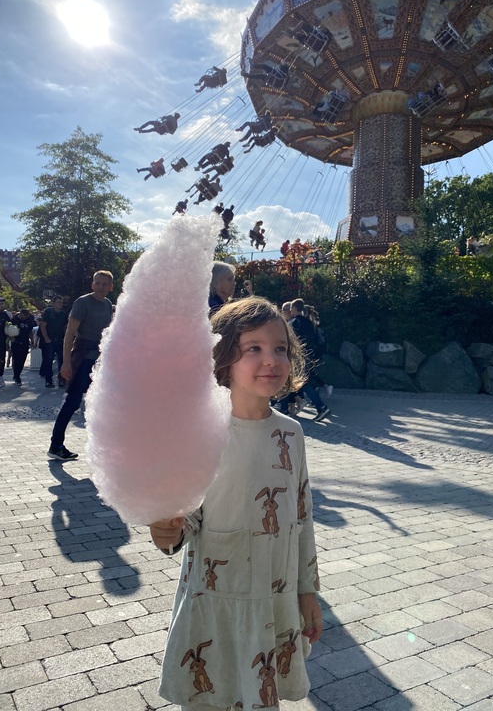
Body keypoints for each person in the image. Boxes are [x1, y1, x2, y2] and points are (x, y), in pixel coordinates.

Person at [149, 297, 322, 711]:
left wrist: (307, 591)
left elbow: (302, 517)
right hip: (217, 598)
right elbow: (186, 517)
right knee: (213, 694)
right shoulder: (202, 432)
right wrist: (166, 530)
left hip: (274, 595)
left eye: (280, 348)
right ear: (224, 358)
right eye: (254, 349)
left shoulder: (291, 434)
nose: (271, 360)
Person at [47, 271, 114, 461]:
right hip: (83, 358)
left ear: (111, 287)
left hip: (101, 362)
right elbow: (70, 333)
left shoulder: (108, 305)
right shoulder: (82, 303)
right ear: (92, 284)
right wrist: (66, 362)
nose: (101, 287)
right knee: (73, 402)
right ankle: (56, 445)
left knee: (104, 404)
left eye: (105, 284)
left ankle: (104, 448)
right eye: (98, 283)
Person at [284, 298, 330, 422]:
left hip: (297, 355)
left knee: (301, 381)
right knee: (302, 380)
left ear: (294, 308)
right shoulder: (308, 322)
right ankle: (289, 406)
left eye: (291, 308)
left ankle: (320, 406)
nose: (290, 310)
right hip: (308, 354)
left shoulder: (294, 322)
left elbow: (291, 339)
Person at [40, 295, 68, 388]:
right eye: (58, 302)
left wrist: (66, 339)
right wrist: (46, 339)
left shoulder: (63, 314)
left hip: (60, 340)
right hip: (50, 340)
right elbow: (43, 325)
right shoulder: (48, 312)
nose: (60, 304)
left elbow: (65, 327)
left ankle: (61, 379)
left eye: (61, 302)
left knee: (61, 360)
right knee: (48, 360)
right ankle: (48, 380)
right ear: (53, 303)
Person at [10, 308, 35, 386]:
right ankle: (16, 376)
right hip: (16, 342)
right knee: (16, 359)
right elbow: (8, 330)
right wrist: (11, 338)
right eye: (23, 316)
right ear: (20, 314)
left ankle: (18, 374)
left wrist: (33, 341)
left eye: (26, 316)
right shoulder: (14, 320)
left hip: (25, 342)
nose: (24, 318)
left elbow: (30, 332)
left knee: (22, 360)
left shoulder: (29, 320)